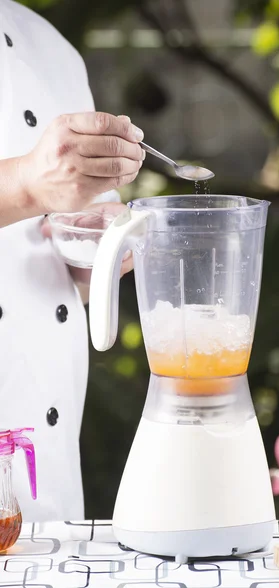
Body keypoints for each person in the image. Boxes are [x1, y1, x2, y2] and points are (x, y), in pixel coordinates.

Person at [0, 0, 145, 521]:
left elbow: (54, 274)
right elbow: (30, 185)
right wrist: (23, 183)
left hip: (50, 487)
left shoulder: (50, 47)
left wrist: (93, 249)